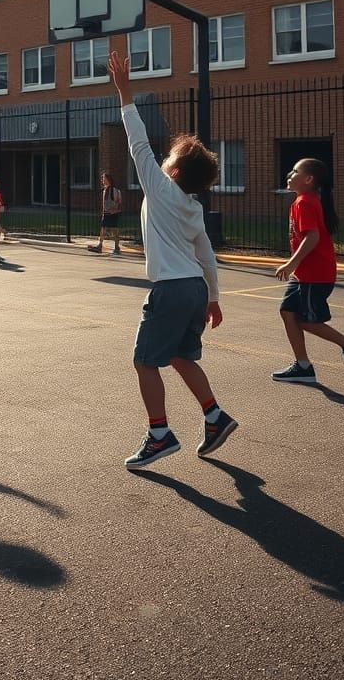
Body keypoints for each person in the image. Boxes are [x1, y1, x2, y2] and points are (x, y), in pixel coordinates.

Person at [107, 47, 237, 468]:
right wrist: (214, 298)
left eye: (170, 159)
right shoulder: (194, 208)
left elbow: (137, 143)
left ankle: (159, 434)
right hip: (196, 290)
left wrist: (125, 93)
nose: (163, 160)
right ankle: (214, 417)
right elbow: (207, 256)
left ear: (174, 172)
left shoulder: (160, 188)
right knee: (181, 357)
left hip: (171, 289)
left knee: (145, 361)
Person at [272, 158, 344, 385]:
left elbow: (312, 237)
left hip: (314, 275)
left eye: (295, 171)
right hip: (306, 275)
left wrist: (291, 263)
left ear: (308, 179)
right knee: (287, 312)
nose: (289, 174)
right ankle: (303, 367)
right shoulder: (304, 200)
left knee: (305, 321)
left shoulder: (305, 202)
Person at [88, 171, 123, 254]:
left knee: (115, 231)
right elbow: (104, 204)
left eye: (104, 179)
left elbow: (119, 204)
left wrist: (115, 210)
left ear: (108, 180)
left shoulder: (115, 191)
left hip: (113, 214)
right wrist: (103, 212)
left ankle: (117, 247)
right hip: (106, 213)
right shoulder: (105, 191)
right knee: (103, 230)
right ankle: (100, 246)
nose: (102, 180)